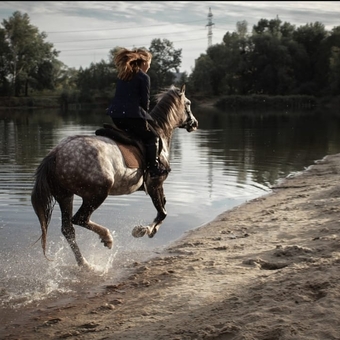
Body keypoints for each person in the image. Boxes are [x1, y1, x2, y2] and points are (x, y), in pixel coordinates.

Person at [107, 47, 167, 178]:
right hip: (131, 116)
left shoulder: (123, 75)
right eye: (149, 64)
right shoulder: (143, 77)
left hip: (116, 116)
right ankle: (153, 169)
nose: (149, 67)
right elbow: (145, 102)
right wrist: (145, 117)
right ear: (144, 62)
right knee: (153, 137)